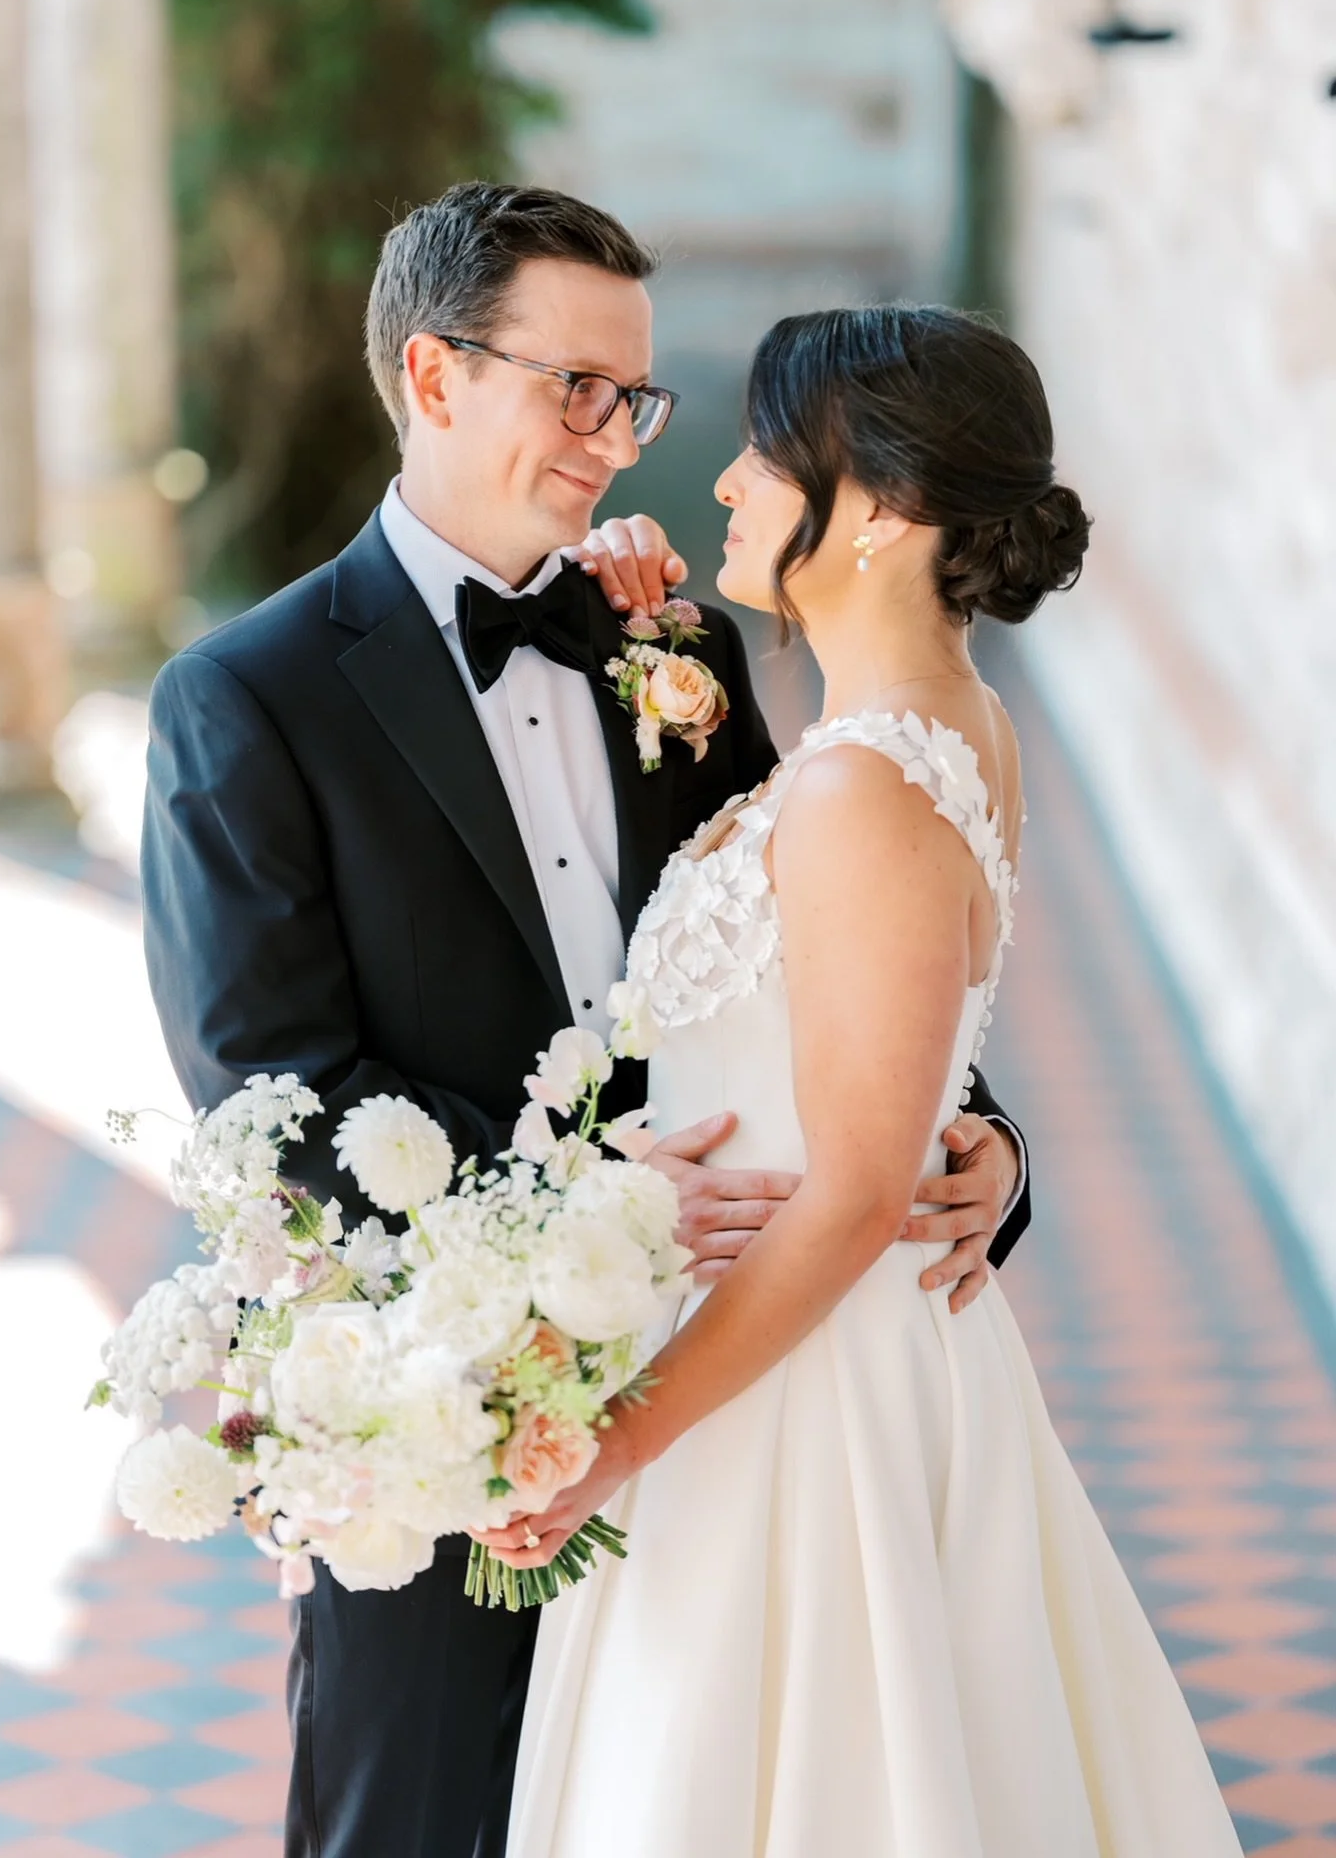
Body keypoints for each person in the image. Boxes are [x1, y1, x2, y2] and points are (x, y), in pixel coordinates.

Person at [140, 186, 1029, 1858]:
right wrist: (589, 1215)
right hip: (455, 1405)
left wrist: (980, 1145)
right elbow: (268, 1096)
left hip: (741, 1411)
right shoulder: (246, 700)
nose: (617, 442)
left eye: (635, 398)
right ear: (434, 373)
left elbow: (839, 966)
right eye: (577, 390)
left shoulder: (672, 641)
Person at [496, 306, 1242, 1858]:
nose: (727, 489)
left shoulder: (865, 782)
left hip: (796, 1388)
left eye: (769, 459)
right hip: (801, 1342)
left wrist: (620, 1438)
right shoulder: (943, 734)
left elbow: (847, 1189)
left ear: (885, 511)